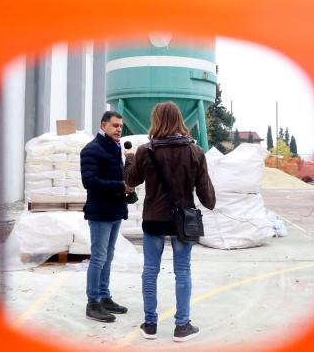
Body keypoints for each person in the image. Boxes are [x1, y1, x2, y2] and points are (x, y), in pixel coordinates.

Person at [124, 102, 216, 342]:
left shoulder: (146, 150)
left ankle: (150, 324)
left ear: (156, 120)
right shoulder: (195, 151)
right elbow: (205, 192)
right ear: (180, 120)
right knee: (183, 271)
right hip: (182, 220)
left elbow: (132, 180)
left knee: (150, 271)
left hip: (154, 219)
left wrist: (129, 161)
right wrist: (209, 201)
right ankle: (182, 326)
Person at [80, 111, 133, 322]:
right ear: (103, 125)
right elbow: (90, 182)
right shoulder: (92, 150)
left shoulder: (114, 147)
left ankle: (104, 296)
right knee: (99, 257)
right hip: (100, 212)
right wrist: (121, 186)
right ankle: (92, 303)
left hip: (114, 210)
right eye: (115, 125)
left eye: (121, 126)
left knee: (108, 257)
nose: (119, 129)